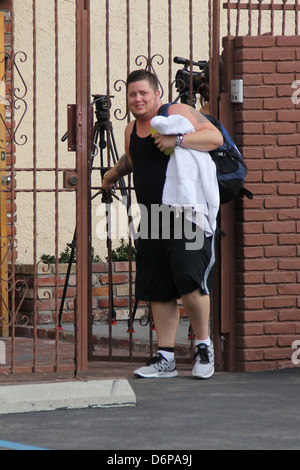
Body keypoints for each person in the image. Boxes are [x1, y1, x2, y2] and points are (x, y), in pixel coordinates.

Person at [102, 69, 223, 379]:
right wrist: (112, 174)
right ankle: (165, 358)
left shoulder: (177, 112)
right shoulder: (131, 129)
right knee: (158, 289)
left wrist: (177, 138)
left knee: (189, 279)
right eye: (132, 94)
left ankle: (203, 347)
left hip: (185, 214)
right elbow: (134, 160)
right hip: (153, 217)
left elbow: (214, 137)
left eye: (143, 93)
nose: (138, 99)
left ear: (157, 94)